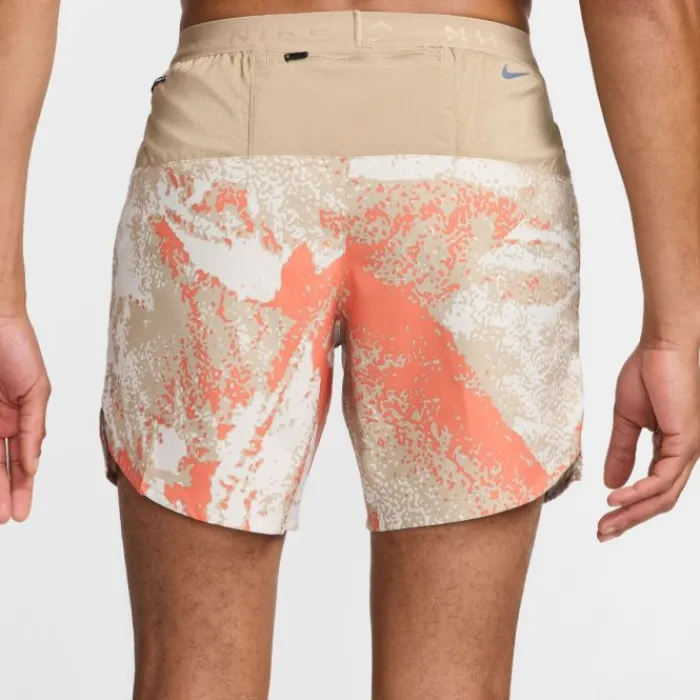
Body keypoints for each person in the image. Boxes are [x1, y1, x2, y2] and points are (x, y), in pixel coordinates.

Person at [1, 0, 699, 697]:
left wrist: (1, 299)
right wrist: (676, 327)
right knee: (450, 683)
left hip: (222, 163)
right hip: (474, 171)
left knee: (194, 678)